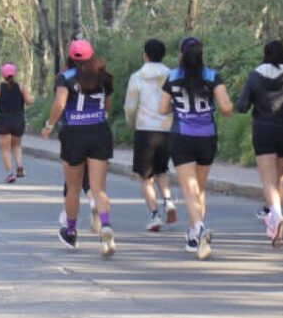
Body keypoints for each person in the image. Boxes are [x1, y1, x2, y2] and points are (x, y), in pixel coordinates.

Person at [159, 38, 234, 259]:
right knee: (199, 188)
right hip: (206, 136)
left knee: (189, 189)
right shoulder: (212, 76)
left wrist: (176, 105)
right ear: (202, 54)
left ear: (181, 55)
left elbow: (162, 109)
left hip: (182, 136)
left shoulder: (173, 76)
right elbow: (226, 108)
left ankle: (198, 228)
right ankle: (193, 234)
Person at [40, 40, 117, 255]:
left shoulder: (65, 78)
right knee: (99, 189)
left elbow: (60, 104)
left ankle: (71, 231)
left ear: (71, 58)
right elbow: (108, 104)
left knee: (73, 188)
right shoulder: (104, 76)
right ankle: (106, 225)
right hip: (99, 131)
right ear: (92, 56)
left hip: (74, 133)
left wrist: (49, 125)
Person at [236, 40, 283, 246]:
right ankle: (277, 220)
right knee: (280, 178)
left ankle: (276, 217)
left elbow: (242, 106)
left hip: (264, 131)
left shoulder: (254, 76)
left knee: (268, 180)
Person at [124, 38, 177, 231]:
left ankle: (155, 215)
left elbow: (131, 107)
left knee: (146, 176)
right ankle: (168, 201)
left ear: (145, 55)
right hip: (166, 129)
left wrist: (132, 124)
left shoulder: (137, 77)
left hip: (145, 129)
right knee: (162, 170)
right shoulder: (171, 75)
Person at [0, 63, 34, 183]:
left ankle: (10, 174)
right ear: (15, 74)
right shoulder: (21, 87)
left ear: (3, 75)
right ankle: (19, 165)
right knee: (17, 145)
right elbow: (29, 101)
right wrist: (30, 96)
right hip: (18, 120)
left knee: (6, 149)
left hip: (4, 120)